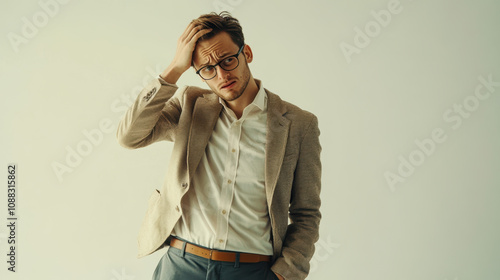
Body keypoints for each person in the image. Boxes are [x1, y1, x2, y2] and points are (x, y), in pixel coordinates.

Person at [117, 11, 322, 280]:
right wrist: (174, 69)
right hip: (181, 264)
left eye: (228, 60)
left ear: (246, 53)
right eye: (208, 69)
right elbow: (130, 136)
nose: (222, 74)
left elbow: (306, 213)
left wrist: (284, 274)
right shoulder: (189, 105)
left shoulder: (298, 124)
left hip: (252, 270)